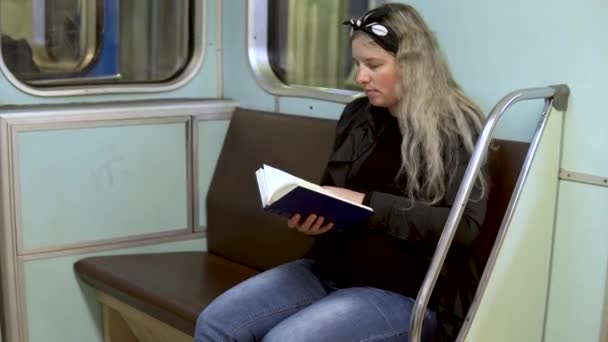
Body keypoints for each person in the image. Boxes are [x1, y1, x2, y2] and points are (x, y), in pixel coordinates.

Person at [195, 3, 487, 341]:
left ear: (413, 65)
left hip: (403, 291)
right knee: (214, 324)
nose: (361, 77)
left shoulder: (457, 126)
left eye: (374, 65)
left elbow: (464, 227)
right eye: (358, 65)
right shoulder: (359, 115)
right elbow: (333, 190)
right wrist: (314, 215)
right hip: (327, 269)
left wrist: (368, 204)